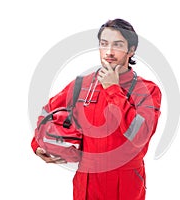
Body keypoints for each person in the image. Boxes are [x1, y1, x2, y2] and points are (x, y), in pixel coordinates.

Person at [31, 18, 162, 200]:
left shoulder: (148, 90)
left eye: (117, 45)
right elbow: (47, 113)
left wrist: (112, 89)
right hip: (86, 183)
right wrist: (38, 145)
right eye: (104, 44)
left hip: (124, 184)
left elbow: (140, 135)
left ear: (131, 50)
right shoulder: (81, 85)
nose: (109, 52)